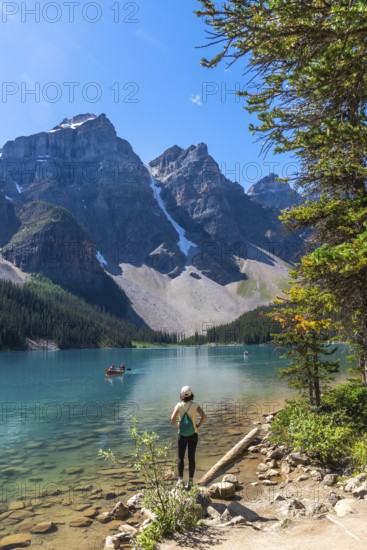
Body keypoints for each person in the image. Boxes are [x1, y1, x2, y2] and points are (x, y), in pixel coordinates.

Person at [171, 385, 206, 489]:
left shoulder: (178, 405)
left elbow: (172, 418)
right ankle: (190, 481)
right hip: (193, 434)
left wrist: (178, 426)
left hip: (182, 434)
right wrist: (198, 426)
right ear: (191, 394)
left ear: (181, 395)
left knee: (181, 457)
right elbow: (204, 416)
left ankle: (180, 481)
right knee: (191, 458)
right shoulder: (195, 405)